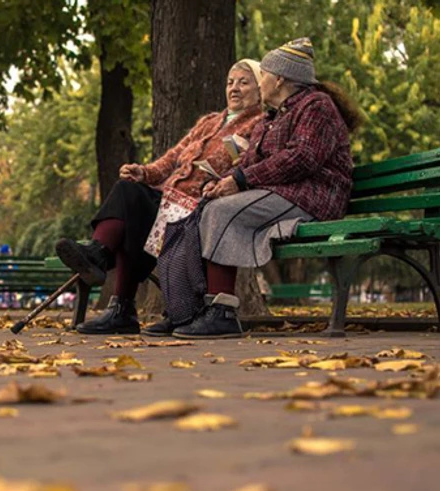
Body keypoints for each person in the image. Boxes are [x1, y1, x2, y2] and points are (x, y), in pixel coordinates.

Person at [159, 38, 363, 339]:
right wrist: (223, 181)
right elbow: (247, 161)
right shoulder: (272, 117)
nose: (261, 81)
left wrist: (241, 181)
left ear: (279, 79)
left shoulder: (316, 106)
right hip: (284, 194)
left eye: (263, 75)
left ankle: (222, 312)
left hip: (312, 196)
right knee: (204, 210)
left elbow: (302, 158)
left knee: (219, 213)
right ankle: (187, 309)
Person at [55, 59, 266, 334]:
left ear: (260, 90)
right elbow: (173, 158)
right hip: (170, 199)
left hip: (201, 206)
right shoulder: (210, 122)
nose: (234, 88)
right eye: (230, 82)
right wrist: (144, 173)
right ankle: (100, 260)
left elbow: (249, 166)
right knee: (127, 190)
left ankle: (119, 302)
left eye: (243, 82)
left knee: (135, 217)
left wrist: (225, 180)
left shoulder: (260, 123)